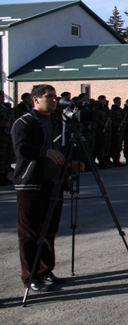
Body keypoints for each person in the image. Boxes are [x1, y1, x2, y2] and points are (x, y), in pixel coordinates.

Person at [12, 84, 79, 292]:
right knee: (30, 232)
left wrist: (70, 163)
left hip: (54, 182)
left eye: (54, 97)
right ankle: (31, 276)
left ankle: (46, 270)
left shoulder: (58, 122)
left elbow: (63, 147)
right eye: (48, 97)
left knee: (49, 230)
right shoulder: (24, 123)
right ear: (35, 100)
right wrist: (44, 152)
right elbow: (22, 149)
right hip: (31, 183)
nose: (53, 100)